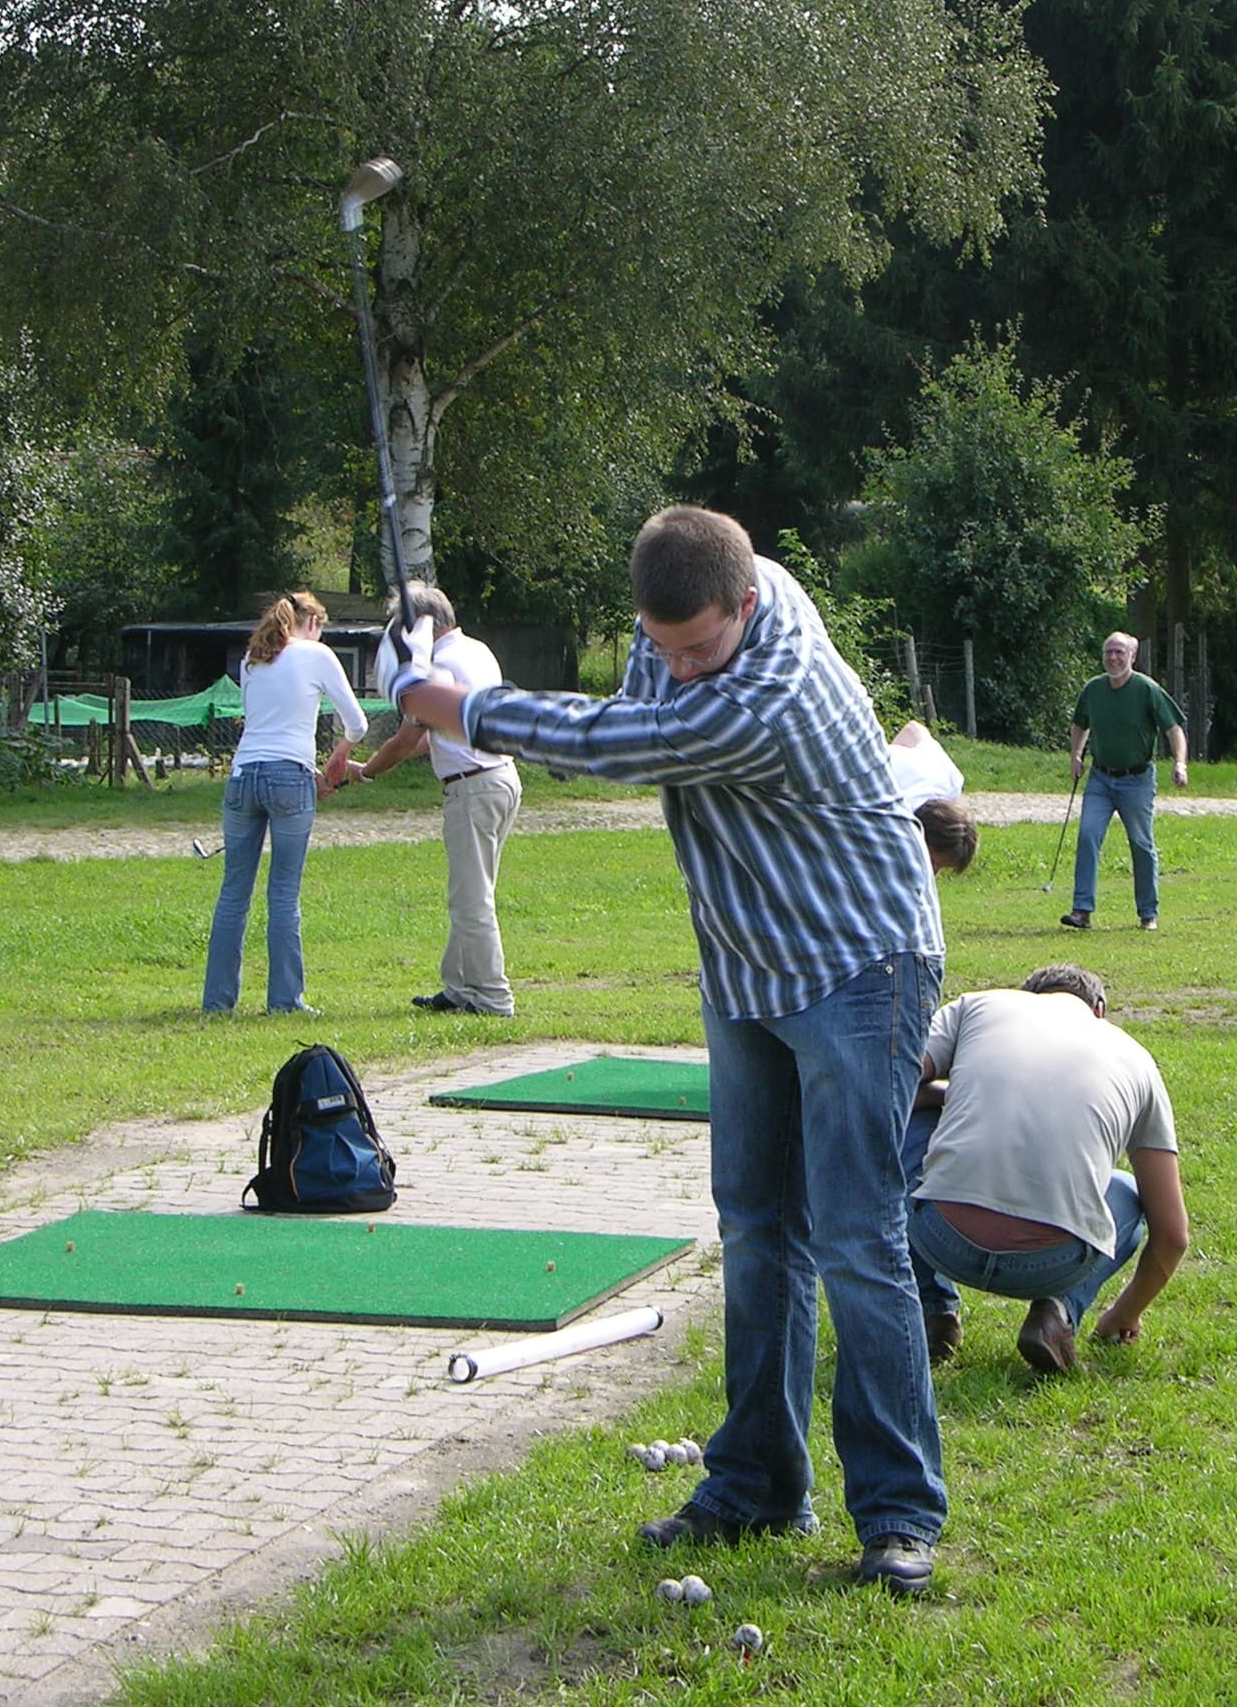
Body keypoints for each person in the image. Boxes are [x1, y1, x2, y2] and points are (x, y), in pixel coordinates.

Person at [384, 506, 950, 1595]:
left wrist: (461, 706)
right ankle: (757, 1485)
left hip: (860, 965)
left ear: (747, 603)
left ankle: (897, 1514)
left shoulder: (773, 689)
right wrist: (436, 683)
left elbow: (627, 743)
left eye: (699, 648)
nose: (680, 668)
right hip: (746, 968)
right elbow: (643, 704)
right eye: (662, 648)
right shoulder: (706, 599)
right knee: (757, 1231)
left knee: (856, 1238)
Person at [905, 963, 1187, 1374]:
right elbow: (1173, 1234)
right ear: (1100, 1009)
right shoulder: (1139, 1061)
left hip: (941, 1236)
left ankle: (933, 1313)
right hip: (1054, 1262)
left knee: (910, 1122)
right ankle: (1057, 1313)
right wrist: (1122, 1314)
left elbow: (892, 1084)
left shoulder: (977, 1007)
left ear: (1025, 996)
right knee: (1126, 1191)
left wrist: (947, 1094)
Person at [336, 582, 519, 1015]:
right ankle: (459, 988)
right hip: (498, 777)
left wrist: (367, 772)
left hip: (472, 785)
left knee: (471, 899)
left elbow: (406, 738)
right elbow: (434, 734)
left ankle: (493, 996)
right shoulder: (477, 651)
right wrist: (372, 767)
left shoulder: (439, 665)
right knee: (472, 892)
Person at [201, 592, 364, 1015]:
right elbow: (357, 724)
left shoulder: (252, 660)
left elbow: (263, 724)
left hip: (244, 775)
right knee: (283, 893)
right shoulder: (317, 655)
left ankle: (217, 1001)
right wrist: (337, 758)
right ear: (312, 623)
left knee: (234, 892)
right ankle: (285, 1000)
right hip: (289, 778)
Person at [1062, 632, 1189, 932]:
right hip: (1100, 777)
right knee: (1088, 836)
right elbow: (1080, 724)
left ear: (1133, 656)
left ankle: (1148, 913)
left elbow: (1174, 729)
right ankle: (1081, 911)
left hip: (1137, 779)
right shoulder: (1093, 689)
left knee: (1141, 844)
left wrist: (1179, 763)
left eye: (1119, 652)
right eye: (1108, 652)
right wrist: (1076, 755)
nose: (1113, 658)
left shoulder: (1147, 689)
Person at [887, 719, 978, 877]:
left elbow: (913, 730)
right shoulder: (894, 815)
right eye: (933, 862)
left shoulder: (951, 781)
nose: (933, 873)